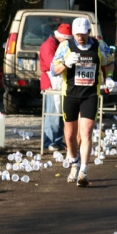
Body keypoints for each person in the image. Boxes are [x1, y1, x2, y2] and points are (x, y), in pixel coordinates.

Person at [50, 17, 115, 187]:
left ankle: (83, 171)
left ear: (89, 32)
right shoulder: (65, 46)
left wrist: (108, 78)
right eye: (77, 34)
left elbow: (109, 62)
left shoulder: (99, 45)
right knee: (70, 135)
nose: (80, 37)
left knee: (86, 132)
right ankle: (74, 163)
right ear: (73, 33)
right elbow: (53, 70)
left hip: (90, 95)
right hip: (70, 95)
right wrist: (65, 63)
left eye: (83, 34)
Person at [40, 23, 72, 151]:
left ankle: (57, 140)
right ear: (61, 37)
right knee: (52, 113)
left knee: (59, 113)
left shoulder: (56, 45)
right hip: (51, 83)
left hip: (57, 82)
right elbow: (53, 66)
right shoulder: (49, 46)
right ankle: (49, 141)